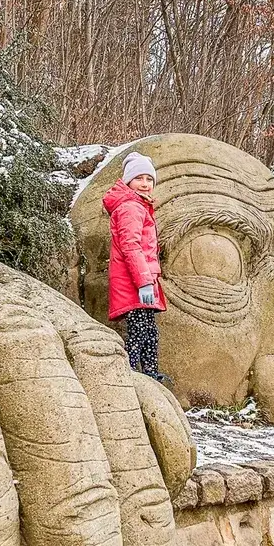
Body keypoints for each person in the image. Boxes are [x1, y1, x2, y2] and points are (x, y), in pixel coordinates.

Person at [104, 151, 169, 383]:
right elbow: (131, 247)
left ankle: (150, 375)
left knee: (149, 332)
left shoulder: (139, 206)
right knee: (139, 332)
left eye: (149, 179)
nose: (145, 184)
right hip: (134, 282)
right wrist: (144, 282)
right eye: (139, 178)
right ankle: (130, 376)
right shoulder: (130, 207)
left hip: (143, 280)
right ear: (128, 181)